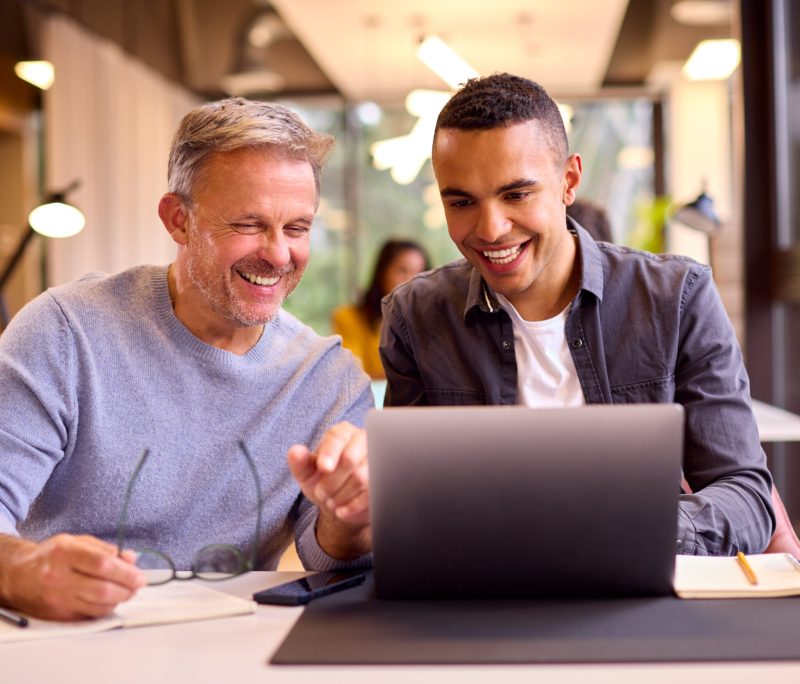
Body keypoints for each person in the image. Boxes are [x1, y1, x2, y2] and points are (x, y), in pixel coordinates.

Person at [0, 98, 372, 621]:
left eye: (297, 228)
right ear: (179, 220)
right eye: (249, 223)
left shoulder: (328, 379)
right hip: (70, 636)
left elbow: (328, 557)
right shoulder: (64, 332)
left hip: (231, 647)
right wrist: (22, 571)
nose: (279, 254)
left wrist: (350, 515)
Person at [379, 73, 775, 556]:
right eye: (462, 201)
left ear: (568, 181)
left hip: (641, 583)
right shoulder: (414, 315)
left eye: (517, 194)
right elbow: (405, 499)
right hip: (484, 592)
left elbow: (746, 495)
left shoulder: (677, 298)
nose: (490, 229)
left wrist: (628, 528)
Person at [332, 239, 430, 379]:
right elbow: (350, 374)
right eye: (403, 270)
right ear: (382, 272)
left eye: (419, 273)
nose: (411, 281)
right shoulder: (348, 316)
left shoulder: (431, 320)